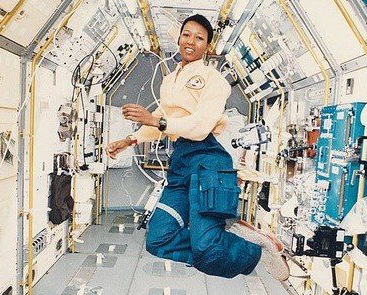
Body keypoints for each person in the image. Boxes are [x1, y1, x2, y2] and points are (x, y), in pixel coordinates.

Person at [106, 14, 289, 281]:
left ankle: (256, 250)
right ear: (179, 38)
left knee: (207, 252)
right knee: (158, 239)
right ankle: (223, 240)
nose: (191, 41)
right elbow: (161, 116)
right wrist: (129, 141)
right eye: (186, 35)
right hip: (181, 161)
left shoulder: (215, 81)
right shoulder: (170, 81)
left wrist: (157, 121)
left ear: (208, 47)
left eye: (199, 38)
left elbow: (200, 125)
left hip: (208, 160)